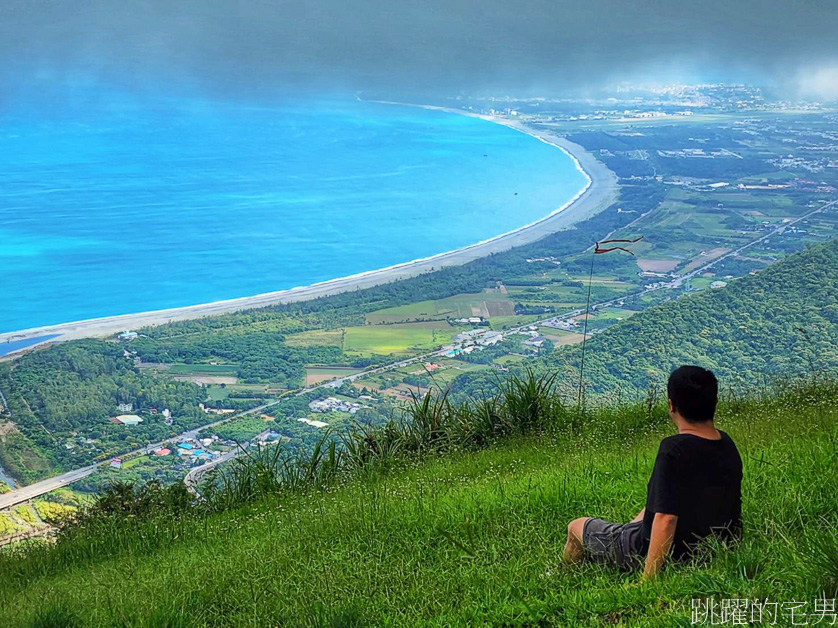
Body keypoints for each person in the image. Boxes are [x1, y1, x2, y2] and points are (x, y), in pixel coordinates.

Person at [563, 365, 743, 581]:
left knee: (576, 526)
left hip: (666, 551)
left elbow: (666, 519)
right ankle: (625, 532)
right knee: (649, 508)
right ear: (715, 403)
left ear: (671, 406)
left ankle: (566, 577)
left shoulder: (673, 450)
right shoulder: (727, 444)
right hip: (714, 547)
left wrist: (648, 581)